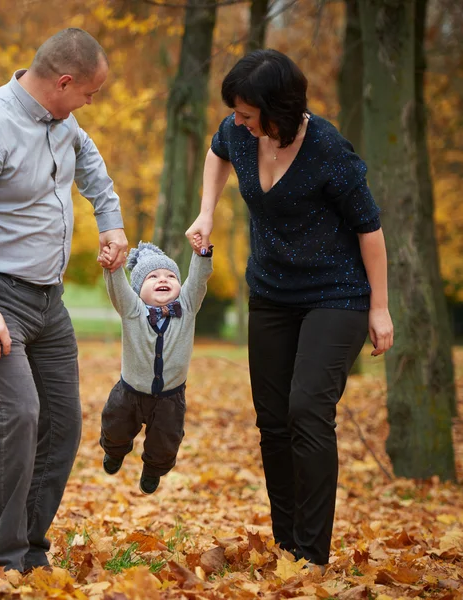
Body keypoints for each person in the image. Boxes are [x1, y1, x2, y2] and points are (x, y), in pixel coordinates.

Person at [185, 49, 394, 568]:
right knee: (272, 421)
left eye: (247, 114)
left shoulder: (327, 149)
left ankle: (313, 554)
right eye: (235, 112)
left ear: (277, 108)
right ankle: (287, 547)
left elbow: (370, 231)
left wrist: (380, 308)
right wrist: (206, 212)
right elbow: (216, 150)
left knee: (307, 410)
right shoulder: (238, 132)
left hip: (336, 292)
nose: (237, 122)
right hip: (272, 293)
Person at [0, 28, 128, 573]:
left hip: (48, 301)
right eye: (89, 92)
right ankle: (2, 560)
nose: (91, 103)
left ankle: (29, 550)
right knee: (17, 416)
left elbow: (92, 169)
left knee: (62, 426)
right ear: (64, 82)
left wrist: (109, 223)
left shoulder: (64, 124)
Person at [97, 240, 213, 494]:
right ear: (138, 289)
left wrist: (202, 252)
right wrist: (113, 267)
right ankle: (115, 452)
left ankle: (153, 470)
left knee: (166, 441)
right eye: (153, 276)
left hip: (170, 397)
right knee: (115, 428)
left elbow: (198, 279)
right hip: (130, 393)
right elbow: (118, 289)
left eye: (171, 275)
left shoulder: (188, 307)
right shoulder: (132, 311)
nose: (164, 279)